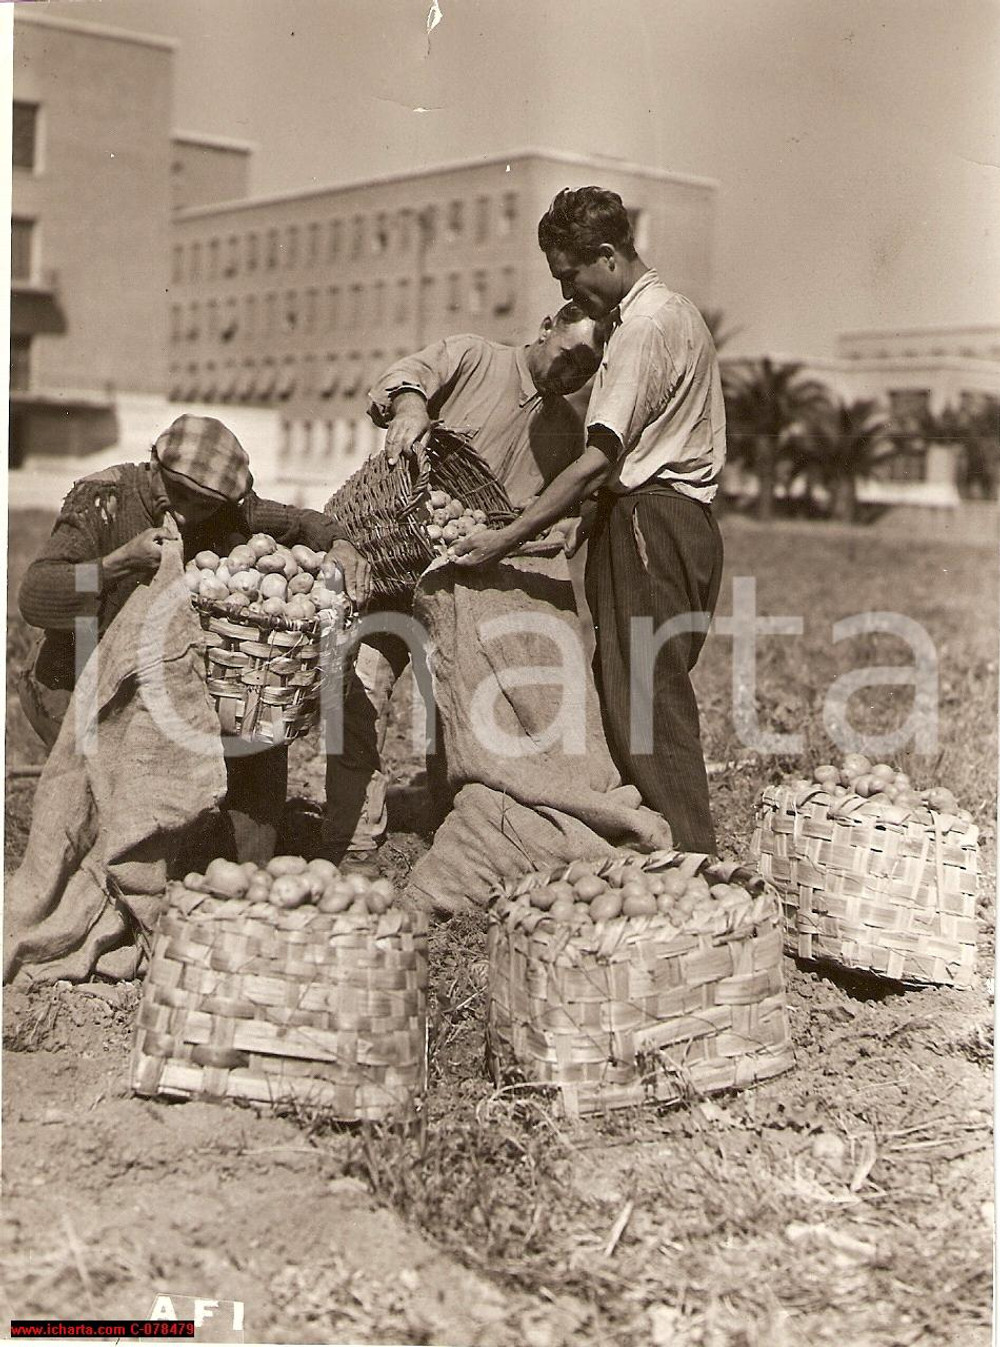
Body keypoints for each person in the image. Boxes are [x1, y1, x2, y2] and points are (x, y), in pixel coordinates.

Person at [452, 187, 726, 854]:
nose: (571, 291)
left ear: (606, 256)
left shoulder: (642, 330)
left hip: (649, 523)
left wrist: (505, 536)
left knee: (645, 699)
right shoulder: (678, 313)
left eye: (570, 275)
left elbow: (598, 460)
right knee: (636, 687)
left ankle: (691, 863)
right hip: (670, 521)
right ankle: (654, 848)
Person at [18, 413, 372, 865]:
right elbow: (36, 596)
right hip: (79, 676)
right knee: (114, 823)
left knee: (257, 739)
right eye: (177, 493)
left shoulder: (229, 507)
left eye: (201, 504)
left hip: (168, 680)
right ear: (153, 464)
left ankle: (241, 876)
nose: (184, 512)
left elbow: (301, 521)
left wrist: (339, 543)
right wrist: (117, 565)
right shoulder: (103, 499)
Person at [324, 303, 606, 863]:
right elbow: (410, 375)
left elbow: (573, 500)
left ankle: (450, 829)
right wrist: (409, 409)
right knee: (356, 695)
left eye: (586, 367)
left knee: (456, 712)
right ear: (546, 327)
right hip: (392, 563)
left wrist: (574, 527)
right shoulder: (477, 358)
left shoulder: (565, 430)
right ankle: (352, 843)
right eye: (567, 354)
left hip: (465, 592)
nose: (570, 372)